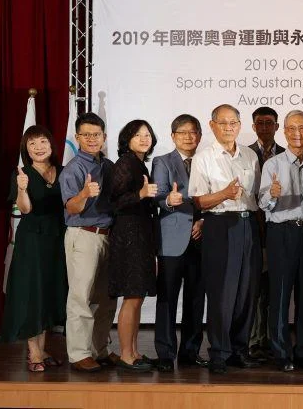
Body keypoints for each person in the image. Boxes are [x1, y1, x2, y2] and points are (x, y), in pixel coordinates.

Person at [189, 104, 262, 375]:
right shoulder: (203, 158)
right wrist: (224, 194)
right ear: (212, 126)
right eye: (223, 123)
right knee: (221, 293)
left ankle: (239, 350)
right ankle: (219, 352)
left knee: (246, 291)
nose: (228, 128)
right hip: (220, 225)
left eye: (233, 123)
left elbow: (256, 196)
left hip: (248, 224)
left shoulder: (250, 155)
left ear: (240, 126)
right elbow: (198, 200)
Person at [2, 125, 68, 372]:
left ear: (51, 145)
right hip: (33, 239)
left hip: (58, 237)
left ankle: (43, 348)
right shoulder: (22, 174)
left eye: (43, 142)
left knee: (49, 291)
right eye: (32, 143)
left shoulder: (63, 171)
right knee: (33, 292)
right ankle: (34, 353)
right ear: (26, 150)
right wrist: (21, 188)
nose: (39, 147)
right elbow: (25, 209)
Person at [259, 110, 303, 372]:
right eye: (292, 128)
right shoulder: (273, 164)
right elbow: (263, 204)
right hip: (282, 232)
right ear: (284, 132)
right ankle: (281, 352)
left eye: (302, 128)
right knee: (281, 293)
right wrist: (272, 194)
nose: (297, 134)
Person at [60, 112, 119, 373]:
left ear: (104, 137)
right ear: (77, 137)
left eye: (96, 134)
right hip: (83, 235)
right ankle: (79, 354)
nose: (92, 139)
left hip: (108, 236)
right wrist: (84, 193)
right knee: (80, 297)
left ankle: (99, 350)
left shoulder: (109, 166)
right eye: (86, 135)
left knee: (106, 298)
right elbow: (71, 207)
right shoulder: (73, 169)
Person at [151, 114, 208, 372]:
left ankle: (190, 352)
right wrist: (168, 201)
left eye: (193, 132)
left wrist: (203, 220)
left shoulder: (206, 161)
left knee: (196, 299)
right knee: (167, 298)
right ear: (173, 136)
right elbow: (158, 195)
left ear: (200, 136)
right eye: (183, 132)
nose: (188, 137)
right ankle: (165, 353)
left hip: (201, 238)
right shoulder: (162, 161)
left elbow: (213, 196)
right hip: (172, 239)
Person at [105, 119, 159, 372]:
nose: (144, 139)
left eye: (147, 134)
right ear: (127, 139)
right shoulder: (125, 163)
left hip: (141, 234)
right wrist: (141, 194)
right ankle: (126, 355)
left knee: (138, 296)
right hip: (128, 236)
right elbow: (113, 203)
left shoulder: (139, 163)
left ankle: (134, 352)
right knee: (132, 296)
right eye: (138, 135)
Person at [247, 106, 285, 362]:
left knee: (274, 289)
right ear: (253, 126)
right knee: (255, 289)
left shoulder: (286, 154)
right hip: (252, 229)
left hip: (278, 229)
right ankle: (254, 341)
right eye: (259, 123)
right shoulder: (245, 154)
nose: (264, 127)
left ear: (277, 127)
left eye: (269, 123)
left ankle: (273, 340)